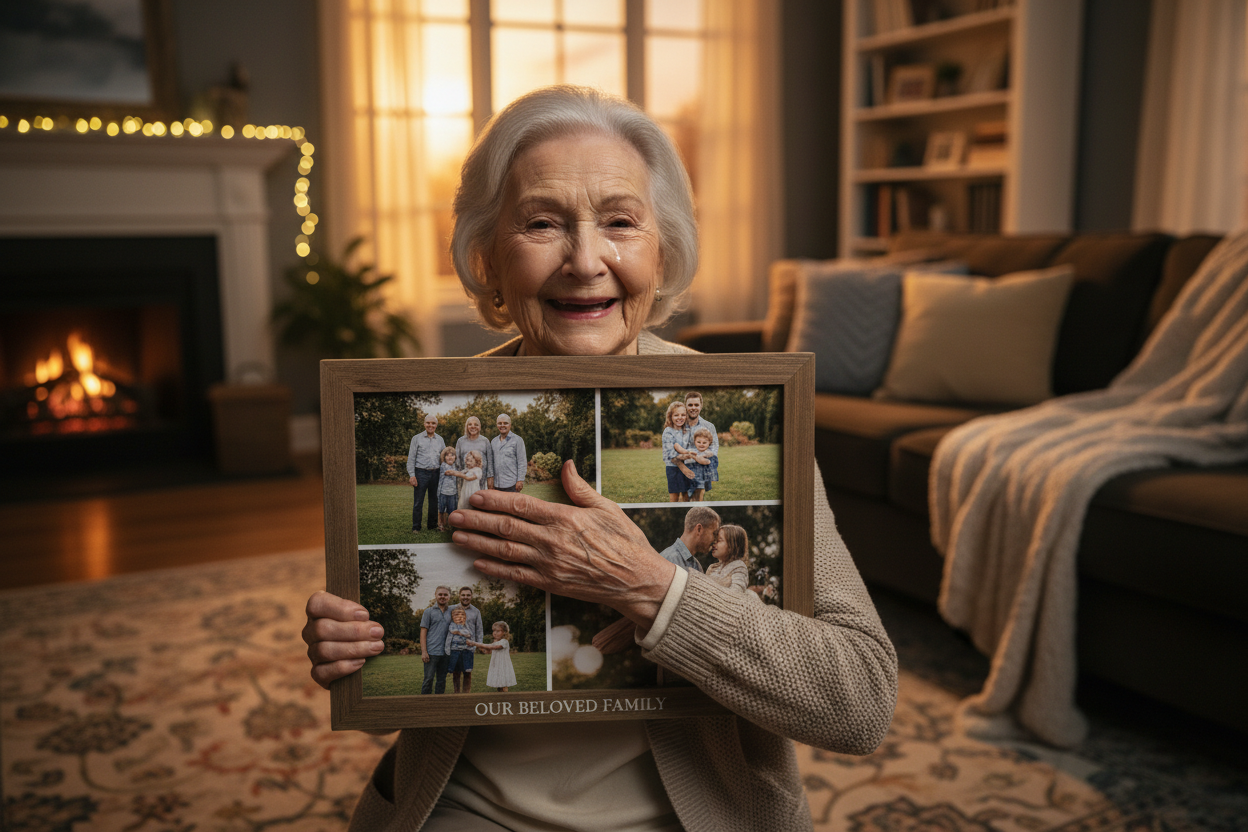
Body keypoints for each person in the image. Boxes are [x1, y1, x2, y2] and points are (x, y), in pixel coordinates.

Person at [302, 85, 897, 832]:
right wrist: (355, 659)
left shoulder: (754, 403)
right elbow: (392, 712)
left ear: (663, 249)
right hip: (470, 806)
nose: (586, 262)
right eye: (542, 223)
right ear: (486, 255)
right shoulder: (429, 411)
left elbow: (861, 703)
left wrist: (652, 588)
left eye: (620, 222)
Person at [407, 415, 445, 533]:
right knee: (418, 501)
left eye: (433, 423)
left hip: (436, 473)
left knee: (434, 501)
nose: (430, 425)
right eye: (428, 423)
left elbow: (444, 457)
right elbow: (411, 458)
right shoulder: (416, 438)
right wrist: (412, 475)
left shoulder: (440, 439)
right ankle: (416, 527)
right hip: (420, 473)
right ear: (424, 424)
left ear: (436, 425)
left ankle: (432, 525)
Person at [658, 505, 719, 574]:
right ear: (699, 529)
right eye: (714, 533)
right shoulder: (669, 560)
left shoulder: (696, 565)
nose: (715, 540)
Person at [418, 586, 454, 695]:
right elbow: (423, 632)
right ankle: (424, 704)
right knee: (428, 679)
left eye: (445, 594)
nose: (442, 597)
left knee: (441, 681)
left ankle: (438, 704)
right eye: (440, 594)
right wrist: (424, 651)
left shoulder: (452, 612)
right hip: (431, 652)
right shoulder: (428, 612)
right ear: (435, 595)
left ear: (449, 596)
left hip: (446, 653)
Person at [683, 391, 718, 500]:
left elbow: (714, 446)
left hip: (702, 469)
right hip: (682, 468)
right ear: (685, 406)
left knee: (698, 501)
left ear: (701, 406)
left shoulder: (709, 426)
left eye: (696, 405)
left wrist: (706, 455)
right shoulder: (679, 424)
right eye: (690, 405)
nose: (693, 408)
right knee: (682, 500)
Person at [468, 621, 518, 692]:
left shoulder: (504, 641)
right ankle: (500, 699)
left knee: (503, 684)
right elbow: (488, 651)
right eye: (494, 631)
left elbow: (493, 647)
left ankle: (506, 699)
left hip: (503, 666)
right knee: (498, 684)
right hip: (496, 665)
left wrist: (475, 643)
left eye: (498, 631)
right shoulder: (495, 642)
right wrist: (479, 646)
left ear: (504, 632)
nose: (495, 633)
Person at [661, 400, 694, 502]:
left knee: (686, 495)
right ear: (670, 416)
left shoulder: (687, 430)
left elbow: (691, 446)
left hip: (687, 465)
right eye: (676, 415)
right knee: (674, 496)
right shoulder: (668, 432)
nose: (680, 417)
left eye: (683, 415)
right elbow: (670, 454)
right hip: (673, 468)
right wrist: (683, 465)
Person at [455, 586, 485, 694]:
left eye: (468, 595)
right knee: (456, 673)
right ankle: (457, 696)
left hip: (469, 647)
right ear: (459, 596)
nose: (465, 597)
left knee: (467, 673)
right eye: (463, 595)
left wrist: (478, 645)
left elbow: (479, 630)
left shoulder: (476, 611)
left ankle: (466, 696)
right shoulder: (453, 609)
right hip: (456, 646)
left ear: (471, 596)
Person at [705, 523, 750, 592]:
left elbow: (737, 593)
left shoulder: (739, 566)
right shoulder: (712, 568)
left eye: (719, 540)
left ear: (732, 545)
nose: (714, 544)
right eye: (715, 540)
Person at [455, 416, 495, 489]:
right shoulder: (461, 441)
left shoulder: (485, 441)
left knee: (480, 499)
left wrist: (490, 477)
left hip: (482, 481)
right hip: (465, 480)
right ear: (467, 427)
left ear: (479, 427)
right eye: (470, 424)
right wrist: (458, 477)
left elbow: (490, 461)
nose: (473, 427)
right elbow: (457, 461)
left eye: (476, 424)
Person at [490, 414, 526, 492]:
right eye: (500, 423)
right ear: (497, 425)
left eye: (505, 423)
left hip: (512, 485)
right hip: (496, 485)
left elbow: (522, 462)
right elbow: (491, 462)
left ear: (510, 425)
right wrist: (491, 479)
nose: (502, 425)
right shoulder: (493, 441)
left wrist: (520, 480)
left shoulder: (518, 440)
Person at [445, 608, 475, 694]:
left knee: (467, 672)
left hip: (466, 651)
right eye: (457, 615)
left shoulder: (468, 626)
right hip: (455, 652)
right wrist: (447, 651)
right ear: (452, 617)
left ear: (465, 617)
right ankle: (456, 692)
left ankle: (466, 692)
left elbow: (470, 635)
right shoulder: (451, 625)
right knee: (456, 673)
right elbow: (449, 638)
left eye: (462, 615)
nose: (460, 617)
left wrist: (472, 648)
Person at [685, 426, 717, 502]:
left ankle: (698, 503)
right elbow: (687, 460)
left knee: (700, 493)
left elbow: (708, 461)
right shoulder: (692, 451)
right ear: (694, 441)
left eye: (704, 442)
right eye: (698, 442)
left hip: (703, 478)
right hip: (691, 477)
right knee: (689, 493)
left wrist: (700, 457)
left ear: (709, 443)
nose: (701, 444)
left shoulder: (708, 453)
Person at [436, 447, 462, 532]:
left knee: (452, 510)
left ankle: (451, 525)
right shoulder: (443, 466)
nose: (450, 457)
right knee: (441, 509)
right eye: (447, 455)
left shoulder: (456, 466)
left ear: (455, 457)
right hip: (443, 492)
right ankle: (441, 525)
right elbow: (448, 472)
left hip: (453, 493)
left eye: (452, 455)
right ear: (444, 457)